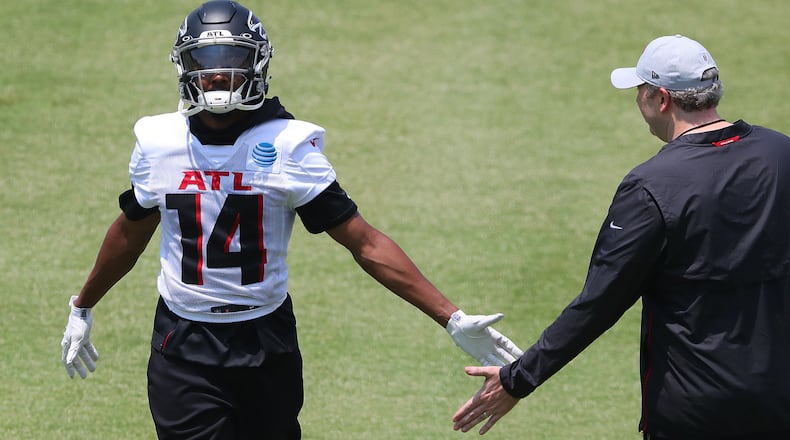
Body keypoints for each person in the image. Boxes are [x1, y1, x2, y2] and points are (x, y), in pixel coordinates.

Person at [59, 1, 523, 439]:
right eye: (207, 61)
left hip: (267, 340)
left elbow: (363, 241)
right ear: (185, 68)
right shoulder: (159, 142)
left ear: (258, 62)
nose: (219, 74)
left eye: (233, 58)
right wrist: (84, 303)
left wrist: (450, 317)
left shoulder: (288, 145)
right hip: (183, 342)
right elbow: (130, 230)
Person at [452, 34, 790, 439]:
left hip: (697, 411)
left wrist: (517, 380)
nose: (638, 102)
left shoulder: (651, 186)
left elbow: (600, 303)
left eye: (640, 91)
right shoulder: (781, 153)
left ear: (660, 99)